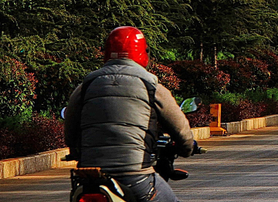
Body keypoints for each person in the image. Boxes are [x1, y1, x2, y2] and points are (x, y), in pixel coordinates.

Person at [64, 26, 196, 202]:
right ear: (143, 52)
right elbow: (180, 130)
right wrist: (186, 148)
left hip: (90, 179)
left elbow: (70, 132)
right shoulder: (151, 85)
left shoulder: (86, 86)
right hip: (135, 177)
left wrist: (77, 152)